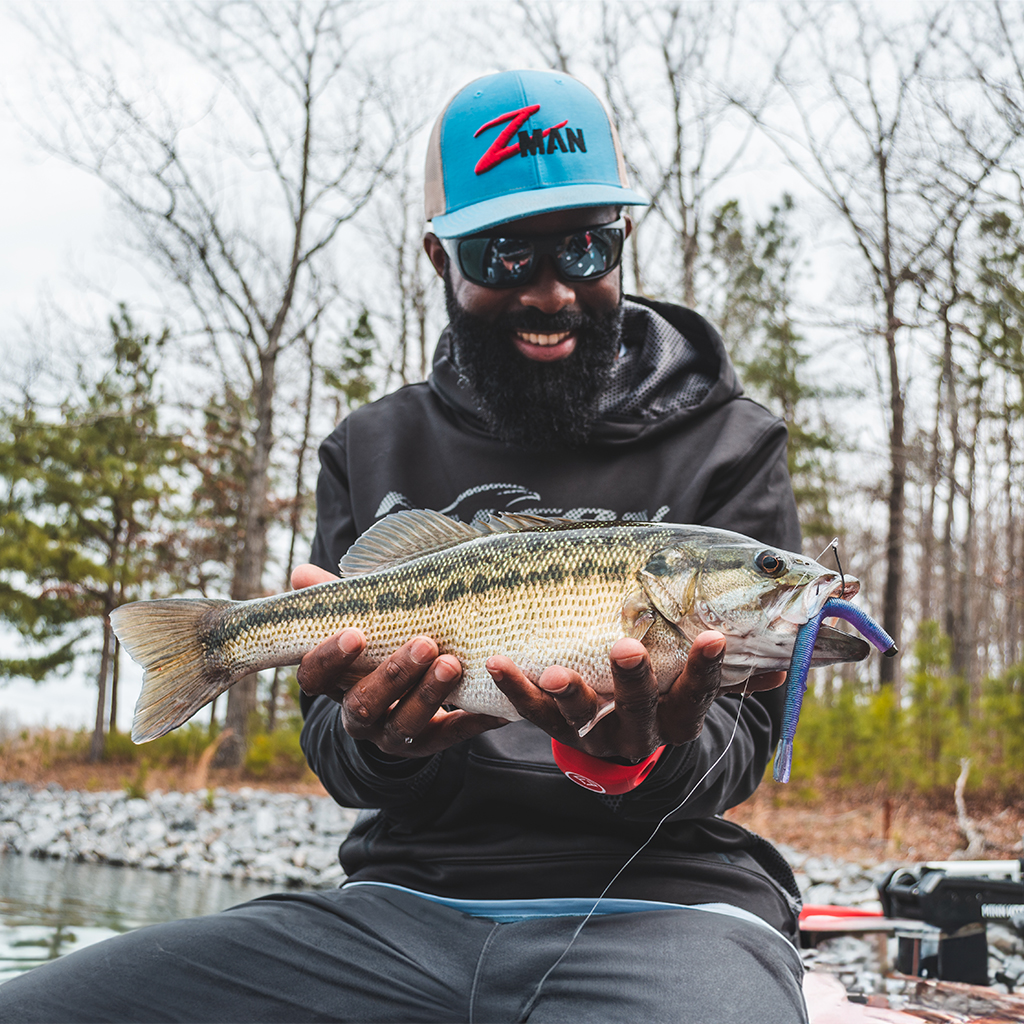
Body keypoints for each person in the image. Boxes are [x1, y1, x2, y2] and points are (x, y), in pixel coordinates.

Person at [0, 70, 808, 1023]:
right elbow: (337, 755)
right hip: (399, 907)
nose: (551, 291)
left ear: (621, 242)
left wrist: (639, 756)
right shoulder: (368, 446)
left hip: (669, 906)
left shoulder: (732, 443)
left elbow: (742, 745)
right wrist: (376, 741)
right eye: (505, 254)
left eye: (586, 247)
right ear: (438, 256)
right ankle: (209, 641)